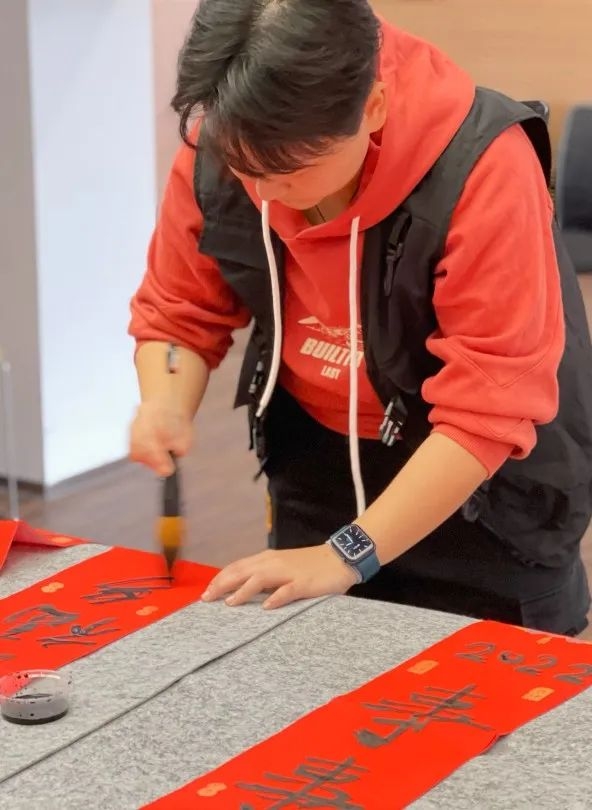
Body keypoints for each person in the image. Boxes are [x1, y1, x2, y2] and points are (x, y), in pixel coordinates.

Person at [128, 0, 592, 634]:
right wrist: (165, 402)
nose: (263, 194)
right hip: (315, 462)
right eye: (245, 169)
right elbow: (179, 311)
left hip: (484, 494)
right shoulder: (232, 135)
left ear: (372, 107)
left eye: (289, 172)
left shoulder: (483, 164)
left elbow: (487, 409)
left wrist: (348, 554)